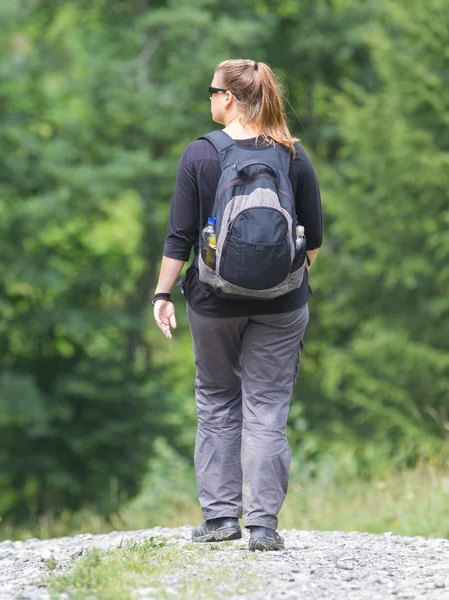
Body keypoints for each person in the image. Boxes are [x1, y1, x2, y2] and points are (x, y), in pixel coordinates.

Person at [152, 59, 323, 552]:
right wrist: (286, 277)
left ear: (227, 99)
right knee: (268, 405)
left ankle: (221, 517)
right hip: (284, 302)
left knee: (217, 399)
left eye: (211, 91)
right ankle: (263, 526)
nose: (209, 98)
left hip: (212, 300)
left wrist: (162, 294)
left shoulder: (200, 155)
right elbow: (313, 239)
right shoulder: (293, 154)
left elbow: (179, 238)